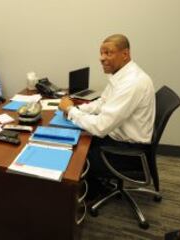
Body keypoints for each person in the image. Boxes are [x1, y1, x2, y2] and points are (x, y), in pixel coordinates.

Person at [59, 34, 155, 200]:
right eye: (101, 53)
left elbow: (101, 126)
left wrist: (71, 111)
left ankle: (90, 193)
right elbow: (102, 102)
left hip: (126, 152)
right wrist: (76, 108)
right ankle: (96, 186)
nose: (102, 58)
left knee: (75, 155)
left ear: (125, 54)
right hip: (119, 138)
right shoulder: (121, 75)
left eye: (108, 53)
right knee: (78, 138)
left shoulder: (132, 83)